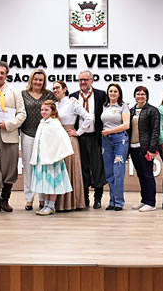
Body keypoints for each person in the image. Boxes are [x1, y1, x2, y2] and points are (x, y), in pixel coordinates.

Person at [0, 61, 27, 213]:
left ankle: (5, 199)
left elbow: (22, 114)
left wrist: (8, 124)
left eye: (2, 73)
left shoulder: (15, 93)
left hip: (9, 133)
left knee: (9, 168)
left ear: (7, 75)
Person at [52, 80, 93, 211]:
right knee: (58, 171)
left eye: (57, 87)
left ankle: (71, 203)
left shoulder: (72, 103)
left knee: (69, 170)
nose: (55, 90)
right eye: (53, 88)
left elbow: (88, 118)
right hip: (56, 140)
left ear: (65, 89)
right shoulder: (54, 105)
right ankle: (58, 203)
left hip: (69, 140)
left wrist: (78, 132)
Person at [19, 69, 55, 211]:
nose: (38, 82)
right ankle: (29, 199)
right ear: (31, 80)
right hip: (27, 134)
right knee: (28, 167)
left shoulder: (49, 94)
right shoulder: (23, 94)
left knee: (42, 167)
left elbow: (56, 109)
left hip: (44, 135)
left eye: (41, 80)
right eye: (36, 79)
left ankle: (42, 198)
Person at [31, 100, 74, 216]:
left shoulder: (54, 123)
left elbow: (61, 139)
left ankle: (51, 205)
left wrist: (56, 154)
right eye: (42, 110)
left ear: (52, 111)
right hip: (43, 157)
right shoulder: (42, 122)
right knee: (46, 182)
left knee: (52, 182)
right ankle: (46, 204)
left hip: (52, 158)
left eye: (46, 110)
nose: (43, 112)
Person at [76, 70, 107, 209]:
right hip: (80, 138)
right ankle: (85, 198)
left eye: (85, 79)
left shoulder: (101, 95)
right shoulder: (73, 96)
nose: (83, 82)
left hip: (96, 137)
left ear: (92, 80)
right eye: (80, 80)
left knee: (97, 168)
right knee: (83, 168)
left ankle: (98, 198)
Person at [128, 86, 161, 212]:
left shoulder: (153, 111)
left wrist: (152, 149)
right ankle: (144, 200)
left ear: (147, 96)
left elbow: (155, 131)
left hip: (145, 149)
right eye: (138, 94)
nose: (140, 96)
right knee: (141, 175)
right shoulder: (131, 111)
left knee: (148, 175)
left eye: (143, 94)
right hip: (133, 148)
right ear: (134, 96)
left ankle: (151, 203)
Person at [101, 83, 130, 211]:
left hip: (120, 141)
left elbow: (126, 125)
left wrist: (109, 131)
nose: (112, 93)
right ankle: (112, 201)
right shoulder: (104, 106)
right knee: (109, 173)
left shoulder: (123, 106)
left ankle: (119, 202)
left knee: (118, 171)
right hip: (106, 142)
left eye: (115, 91)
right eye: (111, 91)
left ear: (119, 94)